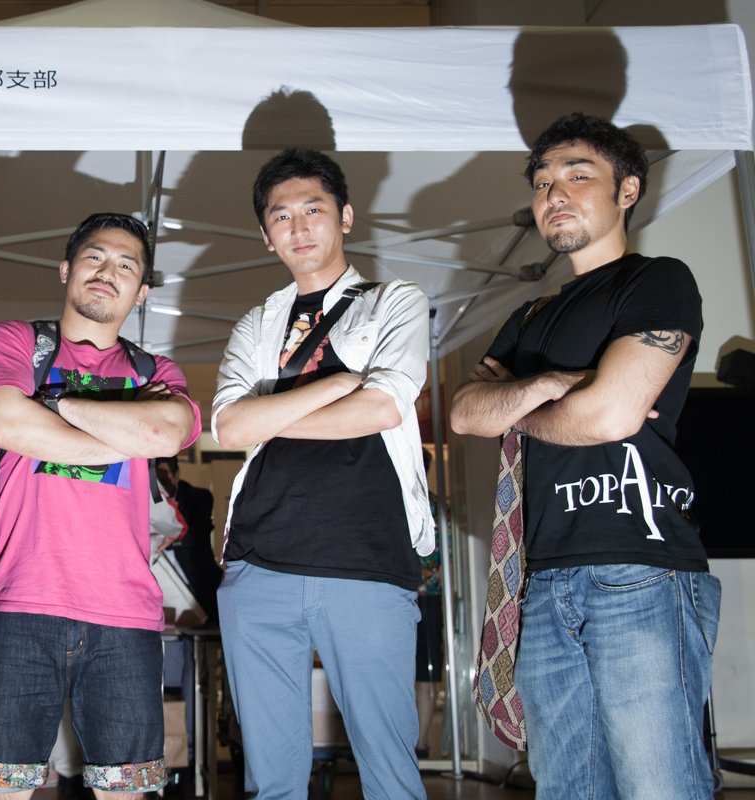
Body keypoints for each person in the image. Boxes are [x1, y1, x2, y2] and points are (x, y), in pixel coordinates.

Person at [450, 113, 721, 800]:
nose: (555, 194)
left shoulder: (657, 281)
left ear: (627, 190)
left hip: (640, 567)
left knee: (660, 788)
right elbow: (464, 413)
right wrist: (555, 384)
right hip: (543, 581)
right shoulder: (528, 317)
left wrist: (519, 403)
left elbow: (610, 415)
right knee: (567, 789)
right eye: (543, 182)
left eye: (578, 175)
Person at [212, 148, 433, 800]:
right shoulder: (257, 324)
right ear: (265, 234)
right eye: (281, 216)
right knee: (270, 782)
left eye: (314, 209)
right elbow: (228, 427)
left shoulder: (394, 301)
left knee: (390, 774)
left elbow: (384, 405)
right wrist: (338, 384)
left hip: (366, 557)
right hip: (258, 562)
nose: (299, 227)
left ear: (345, 216)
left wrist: (270, 415)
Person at [0, 212, 201, 795]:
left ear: (141, 292)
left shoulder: (155, 370)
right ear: (66, 269)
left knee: (124, 792)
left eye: (126, 265)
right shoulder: (17, 342)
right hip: (20, 602)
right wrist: (126, 427)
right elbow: (4, 422)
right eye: (94, 257)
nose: (107, 271)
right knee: (3, 790)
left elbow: (166, 433)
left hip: (125, 615)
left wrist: (54, 404)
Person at [154, 456, 220, 625]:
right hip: (163, 590)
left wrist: (169, 535)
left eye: (163, 480)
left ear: (176, 475)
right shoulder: (151, 496)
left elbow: (197, 535)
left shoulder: (198, 497)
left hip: (198, 585)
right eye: (156, 481)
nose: (160, 487)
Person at [414, 449, 443, 761]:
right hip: (422, 598)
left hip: (422, 599)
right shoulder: (434, 505)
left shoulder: (432, 506)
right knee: (422, 677)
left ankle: (420, 744)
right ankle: (418, 744)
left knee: (424, 675)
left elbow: (438, 559)